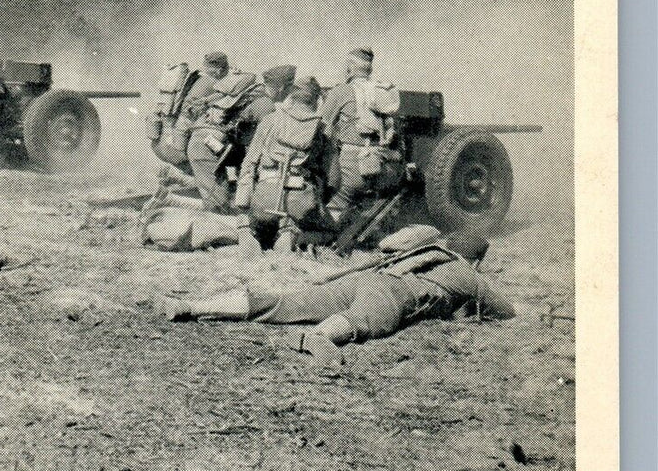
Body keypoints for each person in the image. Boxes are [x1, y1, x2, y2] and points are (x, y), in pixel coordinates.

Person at [161, 229, 515, 366]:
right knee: (363, 322)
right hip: (396, 292)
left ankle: (194, 306)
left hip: (365, 277)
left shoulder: (424, 250)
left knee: (287, 301)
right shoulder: (466, 273)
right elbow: (506, 311)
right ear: (476, 259)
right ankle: (318, 338)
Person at [232, 74, 331, 253]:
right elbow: (333, 179)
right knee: (330, 231)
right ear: (316, 100)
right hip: (300, 201)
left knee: (259, 220)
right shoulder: (323, 129)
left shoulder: (270, 120)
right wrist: (319, 202)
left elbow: (249, 164)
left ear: (291, 96)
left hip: (264, 200)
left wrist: (243, 208)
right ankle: (291, 233)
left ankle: (248, 231)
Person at [322, 47, 405, 224]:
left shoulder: (340, 92)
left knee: (329, 202)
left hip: (354, 166)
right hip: (385, 167)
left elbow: (321, 128)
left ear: (350, 68)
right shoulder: (383, 93)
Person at [184, 64, 272, 212]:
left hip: (204, 142)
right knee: (218, 205)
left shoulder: (250, 96)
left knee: (219, 198)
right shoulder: (265, 104)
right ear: (283, 87)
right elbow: (261, 146)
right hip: (206, 146)